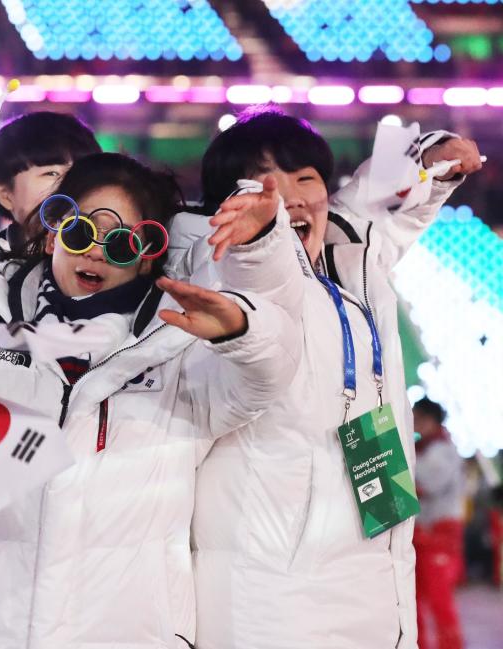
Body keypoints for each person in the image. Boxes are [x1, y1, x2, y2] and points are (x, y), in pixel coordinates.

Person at [0, 152, 302, 648]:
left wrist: (241, 330)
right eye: (78, 234)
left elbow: (268, 378)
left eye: (118, 245)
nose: (93, 254)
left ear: (146, 253)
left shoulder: (176, 348)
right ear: (53, 235)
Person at [184, 108, 482, 649]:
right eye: (263, 185)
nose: (292, 197)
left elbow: (384, 206)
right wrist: (255, 243)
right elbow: (260, 276)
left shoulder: (353, 263)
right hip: (271, 587)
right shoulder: (224, 273)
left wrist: (434, 158)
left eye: (305, 178)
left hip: (374, 566)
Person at [0, 111, 101, 271]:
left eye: (79, 172)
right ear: (6, 195)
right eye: (51, 173)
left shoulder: (107, 262)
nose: (70, 185)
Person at [412, 397, 466, 649]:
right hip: (421, 535)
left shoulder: (443, 449)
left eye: (415, 417)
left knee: (439, 601)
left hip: (439, 536)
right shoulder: (422, 448)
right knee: (413, 601)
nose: (411, 422)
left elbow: (424, 486)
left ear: (428, 420)